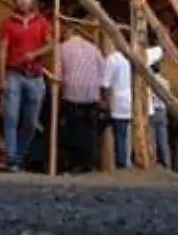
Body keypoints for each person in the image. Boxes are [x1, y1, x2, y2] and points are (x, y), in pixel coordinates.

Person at [0, 0, 53, 172]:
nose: (23, 1)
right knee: (11, 116)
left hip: (35, 75)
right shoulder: (8, 23)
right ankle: (11, 158)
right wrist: (2, 77)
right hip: (14, 73)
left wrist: (34, 54)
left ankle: (19, 155)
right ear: (15, 1)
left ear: (32, 1)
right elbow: (3, 50)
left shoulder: (42, 22)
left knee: (31, 121)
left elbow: (51, 44)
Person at [57, 27, 103, 173]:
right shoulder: (94, 48)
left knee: (74, 130)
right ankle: (89, 162)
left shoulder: (62, 48)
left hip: (72, 94)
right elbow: (102, 70)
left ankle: (75, 163)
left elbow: (58, 73)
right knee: (90, 130)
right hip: (92, 94)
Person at [99, 34, 134, 168]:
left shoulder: (113, 59)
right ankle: (126, 161)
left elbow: (106, 85)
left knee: (119, 134)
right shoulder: (133, 59)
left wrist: (105, 103)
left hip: (117, 102)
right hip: (131, 101)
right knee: (126, 134)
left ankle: (121, 163)